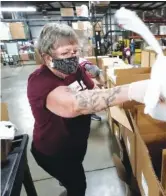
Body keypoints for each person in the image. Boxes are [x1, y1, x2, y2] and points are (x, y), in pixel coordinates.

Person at [27, 23, 148, 196]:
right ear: (47, 58)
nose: (71, 57)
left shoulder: (75, 70)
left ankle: (66, 179)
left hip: (76, 144)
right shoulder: (40, 81)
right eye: (65, 53)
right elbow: (74, 105)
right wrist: (132, 91)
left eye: (74, 52)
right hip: (54, 152)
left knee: (72, 174)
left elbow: (94, 92)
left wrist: (105, 95)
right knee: (78, 186)